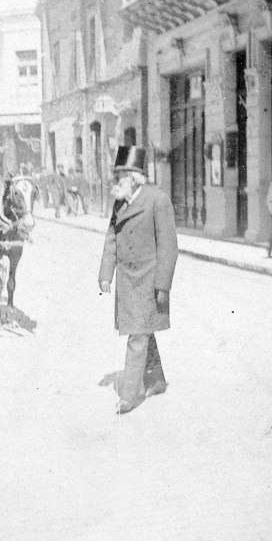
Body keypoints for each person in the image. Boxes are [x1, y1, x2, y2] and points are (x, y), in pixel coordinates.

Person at [98, 146, 178, 415]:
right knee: (142, 330)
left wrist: (163, 285)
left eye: (120, 176)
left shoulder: (157, 200)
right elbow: (112, 239)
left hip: (148, 281)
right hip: (127, 281)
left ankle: (128, 396)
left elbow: (168, 246)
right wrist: (105, 273)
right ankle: (156, 381)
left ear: (134, 178)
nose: (115, 181)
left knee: (137, 336)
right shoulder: (120, 203)